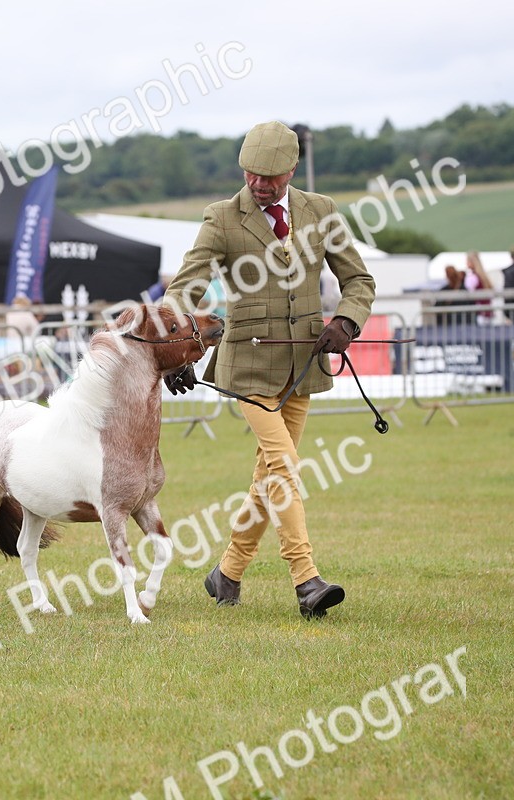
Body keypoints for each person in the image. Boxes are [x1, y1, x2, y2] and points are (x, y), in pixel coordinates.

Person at [163, 121, 375, 620]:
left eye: (271, 178)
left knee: (266, 476)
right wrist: (173, 345)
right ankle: (306, 579)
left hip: (302, 363)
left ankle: (228, 572)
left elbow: (358, 279)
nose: (259, 184)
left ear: (291, 171)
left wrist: (345, 321)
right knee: (283, 466)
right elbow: (184, 288)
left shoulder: (320, 211)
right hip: (248, 367)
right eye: (252, 174)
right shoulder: (220, 219)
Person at [463, 251, 494, 323]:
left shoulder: (473, 277)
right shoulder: (483, 276)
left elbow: (469, 293)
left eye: (467, 261)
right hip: (488, 312)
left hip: (479, 313)